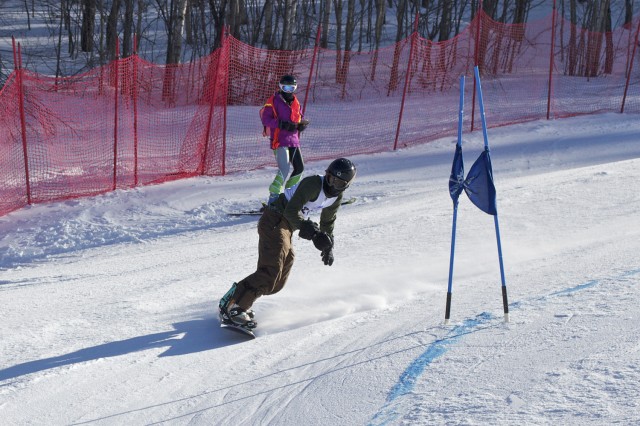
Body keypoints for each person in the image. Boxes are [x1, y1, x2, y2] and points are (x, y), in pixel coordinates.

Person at [219, 158, 357, 329]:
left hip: (286, 227)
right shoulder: (313, 183)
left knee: (279, 279)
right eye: (330, 178)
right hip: (275, 219)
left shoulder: (336, 198)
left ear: (345, 185)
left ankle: (233, 299)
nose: (331, 183)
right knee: (272, 269)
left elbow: (328, 222)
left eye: (337, 182)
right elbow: (291, 210)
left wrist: (329, 246)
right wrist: (312, 232)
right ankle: (236, 307)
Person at [260, 74, 310, 206]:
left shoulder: (296, 102)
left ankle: (288, 197)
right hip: (279, 140)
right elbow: (266, 119)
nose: (288, 91)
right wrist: (281, 124)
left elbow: (299, 116)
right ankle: (274, 197)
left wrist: (301, 125)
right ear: (280, 87)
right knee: (284, 169)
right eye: (285, 87)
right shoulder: (273, 101)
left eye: (291, 87)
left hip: (293, 140)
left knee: (299, 168)